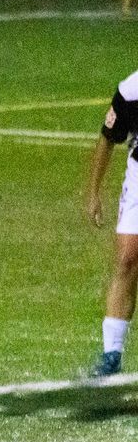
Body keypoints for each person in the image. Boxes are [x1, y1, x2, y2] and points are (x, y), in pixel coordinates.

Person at [85, 69, 138, 376]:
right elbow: (107, 139)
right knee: (127, 259)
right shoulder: (131, 90)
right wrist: (94, 192)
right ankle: (111, 354)